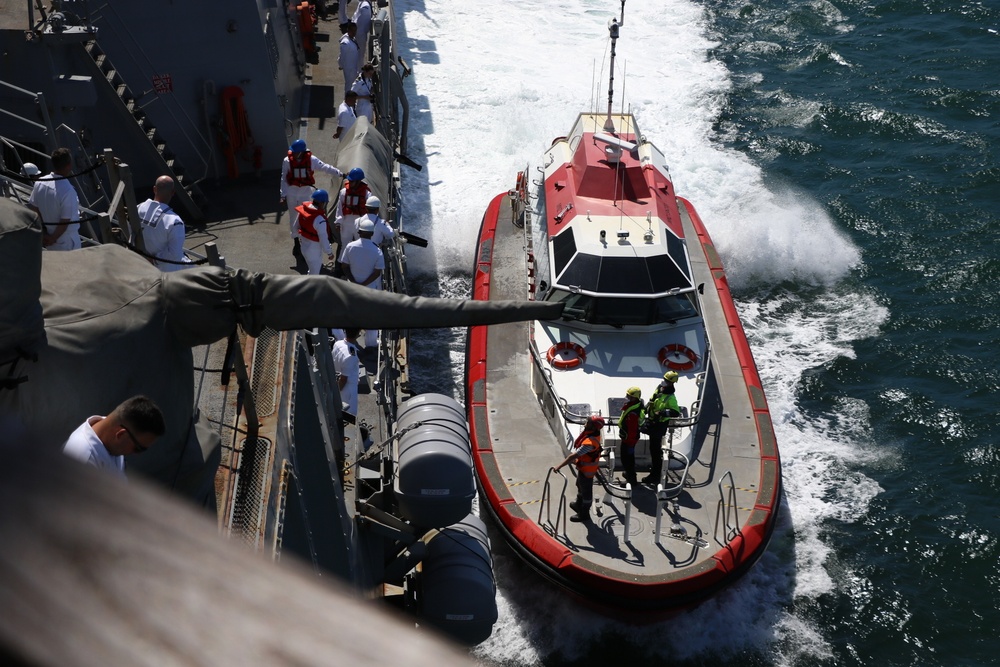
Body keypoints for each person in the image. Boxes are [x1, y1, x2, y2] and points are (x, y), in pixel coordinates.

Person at [62, 395, 166, 479]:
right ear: (121, 434)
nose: (136, 454)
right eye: (138, 448)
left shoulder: (111, 437)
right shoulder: (82, 459)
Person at [279, 139, 343, 256]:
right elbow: (284, 178)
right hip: (292, 192)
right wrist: (283, 194)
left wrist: (340, 173)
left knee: (306, 216)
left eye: (295, 152)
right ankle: (296, 243)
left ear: (301, 152)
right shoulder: (287, 161)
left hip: (305, 191)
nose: (293, 154)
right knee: (293, 218)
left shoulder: (311, 160)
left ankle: (305, 240)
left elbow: (324, 167)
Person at [554, 416, 606, 523]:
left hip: (587, 472)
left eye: (589, 422)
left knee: (586, 493)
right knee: (579, 485)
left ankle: (584, 514)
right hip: (583, 469)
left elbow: (573, 456)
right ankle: (578, 504)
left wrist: (559, 466)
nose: (586, 423)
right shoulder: (593, 434)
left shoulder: (590, 443)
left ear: (593, 427)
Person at [341, 217, 383, 348]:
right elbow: (377, 272)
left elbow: (344, 266)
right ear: (372, 233)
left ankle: (348, 341)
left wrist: (353, 281)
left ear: (359, 232)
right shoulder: (377, 251)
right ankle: (371, 345)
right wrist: (363, 284)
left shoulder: (350, 246)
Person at [28, 147, 80, 251]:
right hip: (67, 242)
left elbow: (34, 208)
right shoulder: (68, 190)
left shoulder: (40, 182)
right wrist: (52, 238)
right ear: (69, 166)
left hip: (49, 238)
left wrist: (44, 232)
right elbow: (65, 221)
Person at [137, 175, 191, 271]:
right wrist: (153, 260)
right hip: (167, 272)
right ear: (173, 192)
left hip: (141, 265)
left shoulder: (138, 208)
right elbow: (174, 254)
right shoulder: (175, 221)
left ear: (154, 189)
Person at [641, 371, 681, 484]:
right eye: (664, 379)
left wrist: (663, 412)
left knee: (655, 451)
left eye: (666, 380)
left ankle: (655, 474)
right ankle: (654, 471)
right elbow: (653, 399)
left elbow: (675, 412)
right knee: (653, 449)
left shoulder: (671, 398)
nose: (664, 381)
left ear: (671, 383)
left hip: (659, 426)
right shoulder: (660, 389)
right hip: (652, 422)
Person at [293, 189, 335, 275]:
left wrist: (302, 237)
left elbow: (295, 227)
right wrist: (329, 253)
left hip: (304, 247)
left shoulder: (303, 211)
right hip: (314, 250)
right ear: (322, 203)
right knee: (315, 273)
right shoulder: (320, 219)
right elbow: (323, 239)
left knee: (311, 269)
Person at [334, 167, 370, 256]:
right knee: (344, 246)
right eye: (349, 180)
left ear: (358, 181)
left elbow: (370, 210)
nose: (350, 182)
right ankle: (341, 265)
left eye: (352, 181)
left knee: (360, 244)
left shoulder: (367, 194)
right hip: (346, 223)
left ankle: (357, 263)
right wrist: (338, 222)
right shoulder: (343, 192)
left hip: (360, 223)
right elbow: (339, 208)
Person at [332, 328, 361, 420]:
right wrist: (336, 393)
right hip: (347, 388)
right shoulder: (350, 356)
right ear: (358, 335)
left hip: (337, 378)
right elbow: (344, 379)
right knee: (350, 412)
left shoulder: (337, 344)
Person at [617, 387, 644, 485]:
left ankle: (631, 480)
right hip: (629, 439)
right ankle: (629, 474)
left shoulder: (633, 413)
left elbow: (632, 430)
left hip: (629, 440)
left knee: (627, 460)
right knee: (628, 458)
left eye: (629, 396)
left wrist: (629, 443)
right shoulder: (634, 406)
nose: (627, 397)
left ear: (635, 398)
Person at [338, 20, 360, 94]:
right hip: (349, 68)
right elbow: (342, 56)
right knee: (349, 85)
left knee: (353, 85)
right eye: (352, 30)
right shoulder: (345, 43)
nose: (354, 32)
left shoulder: (352, 38)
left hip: (353, 66)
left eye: (355, 31)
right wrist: (340, 65)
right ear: (348, 30)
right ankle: (347, 100)